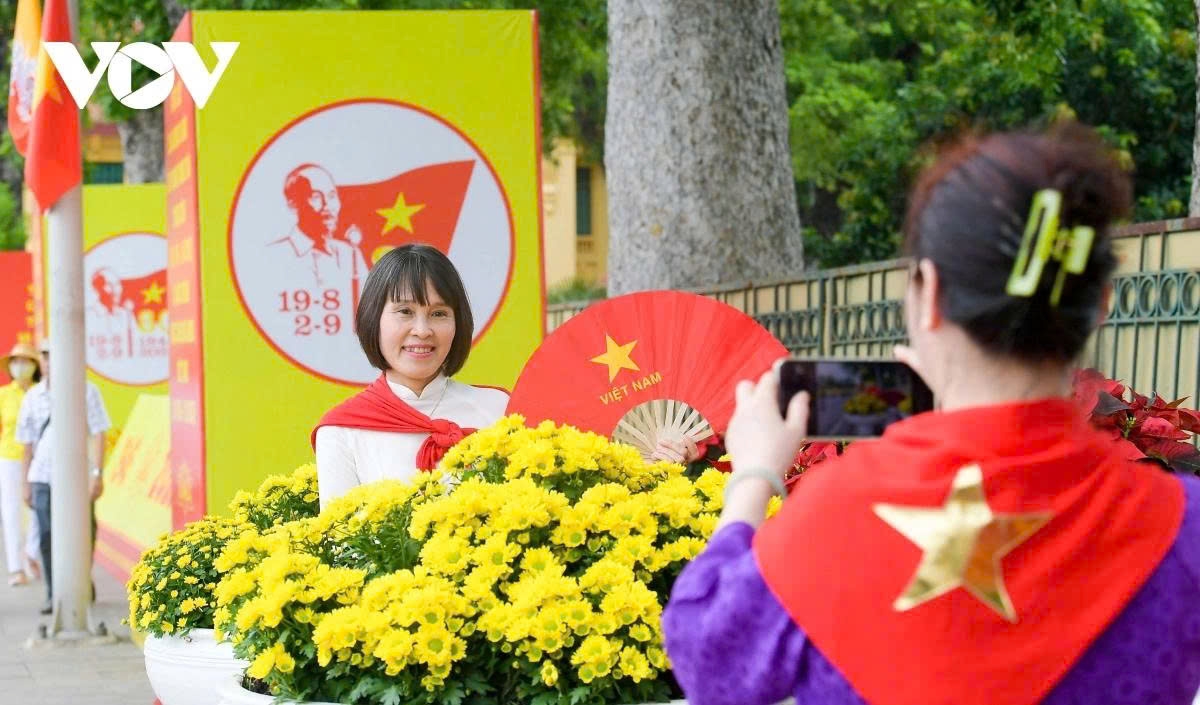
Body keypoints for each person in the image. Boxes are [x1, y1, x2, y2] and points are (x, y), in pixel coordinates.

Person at [662, 123, 1200, 705]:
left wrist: (755, 473)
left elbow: (710, 658)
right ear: (1099, 303)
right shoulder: (1180, 530)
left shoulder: (832, 517)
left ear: (930, 293)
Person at [311, 244, 509, 507]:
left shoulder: (499, 409)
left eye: (438, 314)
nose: (422, 330)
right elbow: (340, 543)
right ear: (374, 319)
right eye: (405, 312)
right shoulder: (340, 431)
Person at [16, 339, 110, 614]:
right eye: (44, 356)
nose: (48, 361)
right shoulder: (32, 397)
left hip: (78, 475)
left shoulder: (86, 391)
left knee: (85, 531)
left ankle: (81, 581)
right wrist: (25, 483)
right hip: (42, 476)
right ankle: (53, 592)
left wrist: (97, 473)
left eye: (53, 355)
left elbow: (99, 432)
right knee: (46, 534)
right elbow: (26, 444)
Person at [0, 342, 42, 587]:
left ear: (35, 365)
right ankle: (16, 568)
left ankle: (31, 557)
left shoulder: (41, 392)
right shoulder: (4, 395)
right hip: (10, 458)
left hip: (38, 459)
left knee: (37, 510)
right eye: (15, 361)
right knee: (12, 510)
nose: (20, 366)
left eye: (25, 361)